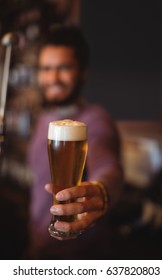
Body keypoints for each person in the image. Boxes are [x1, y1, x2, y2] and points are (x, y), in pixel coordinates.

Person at [27, 25, 123, 259]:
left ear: (82, 73)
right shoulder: (45, 119)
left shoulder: (95, 119)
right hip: (39, 247)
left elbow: (108, 167)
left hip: (80, 255)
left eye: (64, 68)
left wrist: (103, 191)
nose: (53, 78)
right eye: (46, 68)